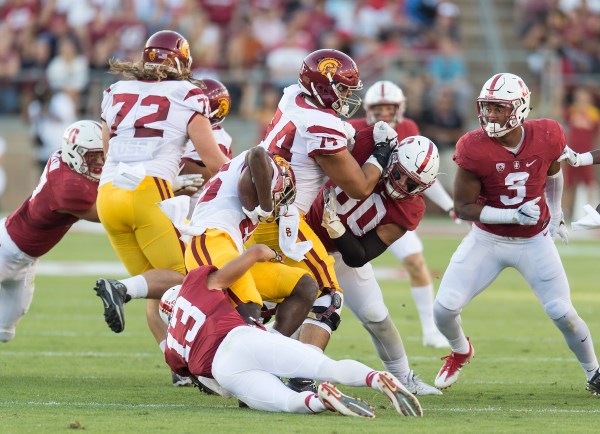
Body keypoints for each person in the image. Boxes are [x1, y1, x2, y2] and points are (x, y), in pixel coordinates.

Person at [432, 72, 600, 395]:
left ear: (520, 108)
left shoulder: (548, 133)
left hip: (534, 240)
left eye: (499, 108)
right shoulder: (472, 146)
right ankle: (460, 349)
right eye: (488, 108)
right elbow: (463, 206)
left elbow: (554, 173)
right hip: (487, 239)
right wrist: (512, 214)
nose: (491, 115)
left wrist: (556, 214)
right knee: (443, 310)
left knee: (562, 312)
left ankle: (594, 372)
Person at [247, 50, 395, 387]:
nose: (347, 97)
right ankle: (295, 375)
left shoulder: (293, 96)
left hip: (258, 211)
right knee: (327, 296)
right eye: (342, 89)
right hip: (283, 219)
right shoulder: (321, 124)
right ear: (324, 87)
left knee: (282, 294)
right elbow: (359, 187)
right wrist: (381, 152)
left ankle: (260, 363)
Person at [161, 244, 423, 417]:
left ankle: (321, 401)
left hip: (224, 369)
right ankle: (376, 378)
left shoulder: (171, 349)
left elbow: (210, 385)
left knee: (287, 402)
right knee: (325, 367)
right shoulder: (193, 284)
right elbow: (226, 279)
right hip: (241, 338)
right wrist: (257, 254)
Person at [93, 31, 228, 350]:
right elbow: (213, 161)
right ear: (181, 62)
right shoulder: (188, 93)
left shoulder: (116, 90)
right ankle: (120, 289)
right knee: (188, 280)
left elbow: (108, 148)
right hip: (147, 192)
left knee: (158, 287)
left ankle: (178, 362)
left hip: (108, 195)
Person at [305, 132, 443, 396]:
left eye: (412, 184)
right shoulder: (370, 147)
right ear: (392, 160)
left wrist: (337, 230)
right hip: (301, 242)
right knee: (284, 309)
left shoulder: (409, 209)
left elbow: (359, 256)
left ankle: (404, 378)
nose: (402, 184)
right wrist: (350, 134)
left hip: (340, 252)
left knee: (376, 315)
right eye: (400, 173)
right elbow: (330, 135)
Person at [161, 145, 318, 337]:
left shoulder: (239, 175)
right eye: (281, 197)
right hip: (210, 241)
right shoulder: (269, 167)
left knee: (304, 287)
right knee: (249, 313)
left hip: (227, 250)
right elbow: (257, 153)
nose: (280, 204)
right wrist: (267, 205)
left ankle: (272, 350)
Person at [349, 79, 457, 348]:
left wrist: (449, 206)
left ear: (400, 108)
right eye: (379, 108)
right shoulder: (353, 131)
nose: (385, 114)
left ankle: (430, 331)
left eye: (390, 108)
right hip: (355, 212)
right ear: (368, 109)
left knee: (416, 264)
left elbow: (422, 177)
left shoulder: (409, 129)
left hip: (393, 212)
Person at [0, 120, 104, 342]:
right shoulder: (70, 189)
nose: (100, 161)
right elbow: (109, 214)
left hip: (26, 260)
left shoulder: (63, 158)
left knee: (4, 332)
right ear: (76, 152)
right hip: (5, 250)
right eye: (93, 156)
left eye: (102, 154)